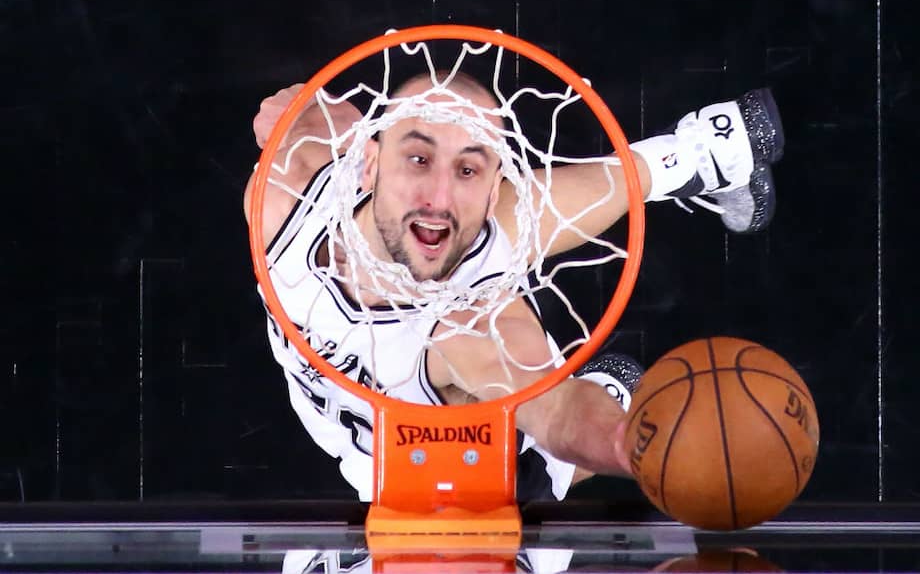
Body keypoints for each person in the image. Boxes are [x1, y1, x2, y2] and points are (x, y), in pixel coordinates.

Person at [243, 71, 784, 502]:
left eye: (470, 171)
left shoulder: (479, 332)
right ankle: (700, 153)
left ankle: (612, 393)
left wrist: (635, 444)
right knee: (489, 218)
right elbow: (315, 118)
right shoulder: (285, 191)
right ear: (366, 161)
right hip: (354, 434)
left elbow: (557, 410)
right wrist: (298, 106)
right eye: (417, 157)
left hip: (465, 474)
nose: (438, 194)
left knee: (530, 472)